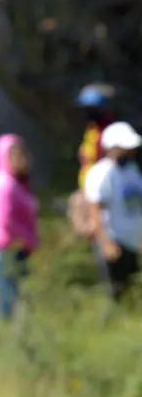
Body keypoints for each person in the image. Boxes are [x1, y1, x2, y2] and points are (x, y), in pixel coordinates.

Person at [83, 121, 142, 302]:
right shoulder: (102, 173)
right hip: (115, 244)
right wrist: (105, 243)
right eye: (125, 148)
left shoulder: (132, 169)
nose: (130, 151)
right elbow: (94, 213)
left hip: (133, 243)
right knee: (116, 294)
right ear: (112, 148)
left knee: (132, 293)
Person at [0, 134, 38, 321]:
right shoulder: (3, 184)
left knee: (19, 298)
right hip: (7, 249)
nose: (23, 160)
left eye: (23, 155)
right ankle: (8, 342)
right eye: (17, 156)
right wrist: (27, 238)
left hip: (16, 248)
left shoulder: (16, 183)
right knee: (9, 300)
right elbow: (5, 222)